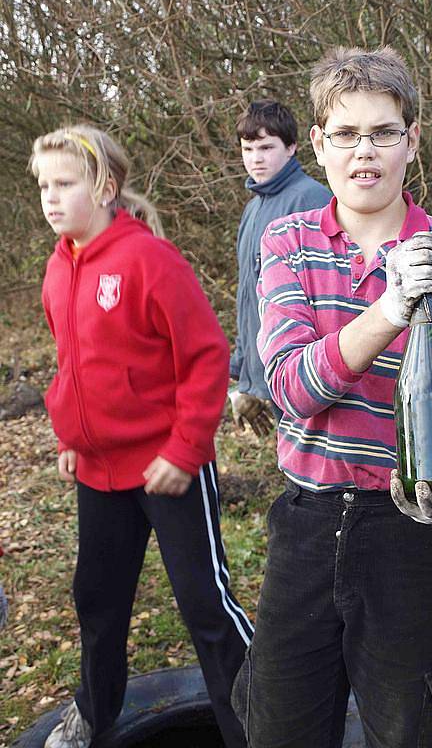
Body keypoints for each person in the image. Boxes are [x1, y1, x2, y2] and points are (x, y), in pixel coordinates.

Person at [233, 47, 432, 747]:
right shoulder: (287, 244)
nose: (365, 152)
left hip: (414, 534)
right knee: (280, 726)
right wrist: (390, 307)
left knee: (412, 727)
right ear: (319, 144)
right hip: (306, 525)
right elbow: (293, 389)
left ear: (412, 142)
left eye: (384, 132)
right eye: (347, 134)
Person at [29, 125, 253, 748]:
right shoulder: (57, 268)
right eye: (43, 185)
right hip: (99, 473)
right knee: (97, 601)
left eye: (64, 183)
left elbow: (206, 356)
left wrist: (184, 451)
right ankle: (95, 715)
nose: (50, 198)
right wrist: (69, 436)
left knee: (207, 607)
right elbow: (73, 364)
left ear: (105, 186)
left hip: (167, 468)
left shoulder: (149, 260)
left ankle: (261, 723)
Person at [229, 99, 331, 434]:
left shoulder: (312, 201)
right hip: (266, 373)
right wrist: (245, 376)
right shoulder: (252, 209)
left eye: (266, 147)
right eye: (248, 148)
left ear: (291, 147)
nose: (256, 158)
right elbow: (249, 298)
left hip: (306, 377)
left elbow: (326, 302)